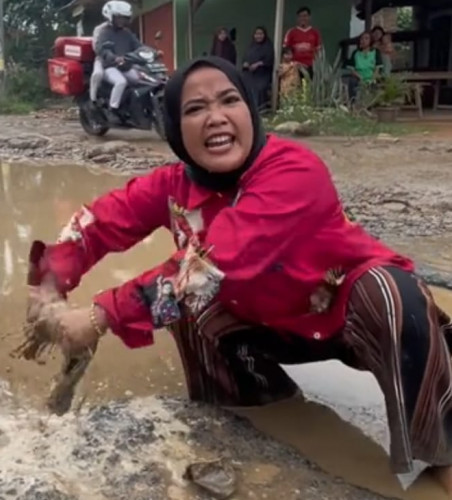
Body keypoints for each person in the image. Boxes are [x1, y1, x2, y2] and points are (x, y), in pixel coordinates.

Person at [26, 55, 452, 496]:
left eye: (229, 100)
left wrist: (98, 316)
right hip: (268, 324)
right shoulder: (173, 185)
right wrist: (49, 282)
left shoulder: (295, 170)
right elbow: (100, 221)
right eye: (194, 109)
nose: (215, 117)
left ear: (250, 109)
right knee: (190, 310)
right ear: (174, 127)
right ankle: (257, 410)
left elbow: (215, 262)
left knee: (390, 291)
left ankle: (442, 453)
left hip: (348, 316)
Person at [95, 0, 141, 117]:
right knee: (121, 82)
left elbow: (138, 46)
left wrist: (152, 52)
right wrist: (114, 58)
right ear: (111, 17)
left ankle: (132, 106)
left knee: (139, 79)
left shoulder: (127, 33)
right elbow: (102, 49)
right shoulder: (104, 32)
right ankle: (113, 109)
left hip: (125, 66)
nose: (122, 20)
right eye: (119, 18)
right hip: (110, 67)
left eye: (124, 18)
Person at [283, 6, 322, 77]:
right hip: (295, 67)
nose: (303, 19)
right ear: (297, 18)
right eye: (300, 16)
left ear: (309, 17)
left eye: (305, 16)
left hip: (311, 67)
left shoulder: (315, 33)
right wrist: (293, 64)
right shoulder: (291, 32)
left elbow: (319, 51)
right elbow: (286, 51)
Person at [242, 26, 274, 110]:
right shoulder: (251, 46)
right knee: (246, 86)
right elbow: (245, 57)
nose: (258, 36)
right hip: (250, 74)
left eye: (261, 34)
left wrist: (259, 64)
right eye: (257, 34)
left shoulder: (268, 46)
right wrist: (245, 63)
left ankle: (260, 109)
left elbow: (269, 60)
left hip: (262, 74)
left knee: (260, 88)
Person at [345, 31, 383, 103]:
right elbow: (352, 69)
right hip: (359, 76)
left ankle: (372, 104)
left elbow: (377, 68)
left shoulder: (376, 52)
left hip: (371, 76)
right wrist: (361, 78)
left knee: (374, 84)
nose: (363, 41)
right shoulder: (355, 53)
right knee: (352, 81)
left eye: (366, 39)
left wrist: (372, 79)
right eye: (362, 39)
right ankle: (352, 103)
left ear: (370, 40)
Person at [89, 2, 114, 104]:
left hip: (122, 59)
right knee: (98, 74)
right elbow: (96, 47)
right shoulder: (99, 29)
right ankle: (93, 99)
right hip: (102, 59)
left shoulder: (123, 30)